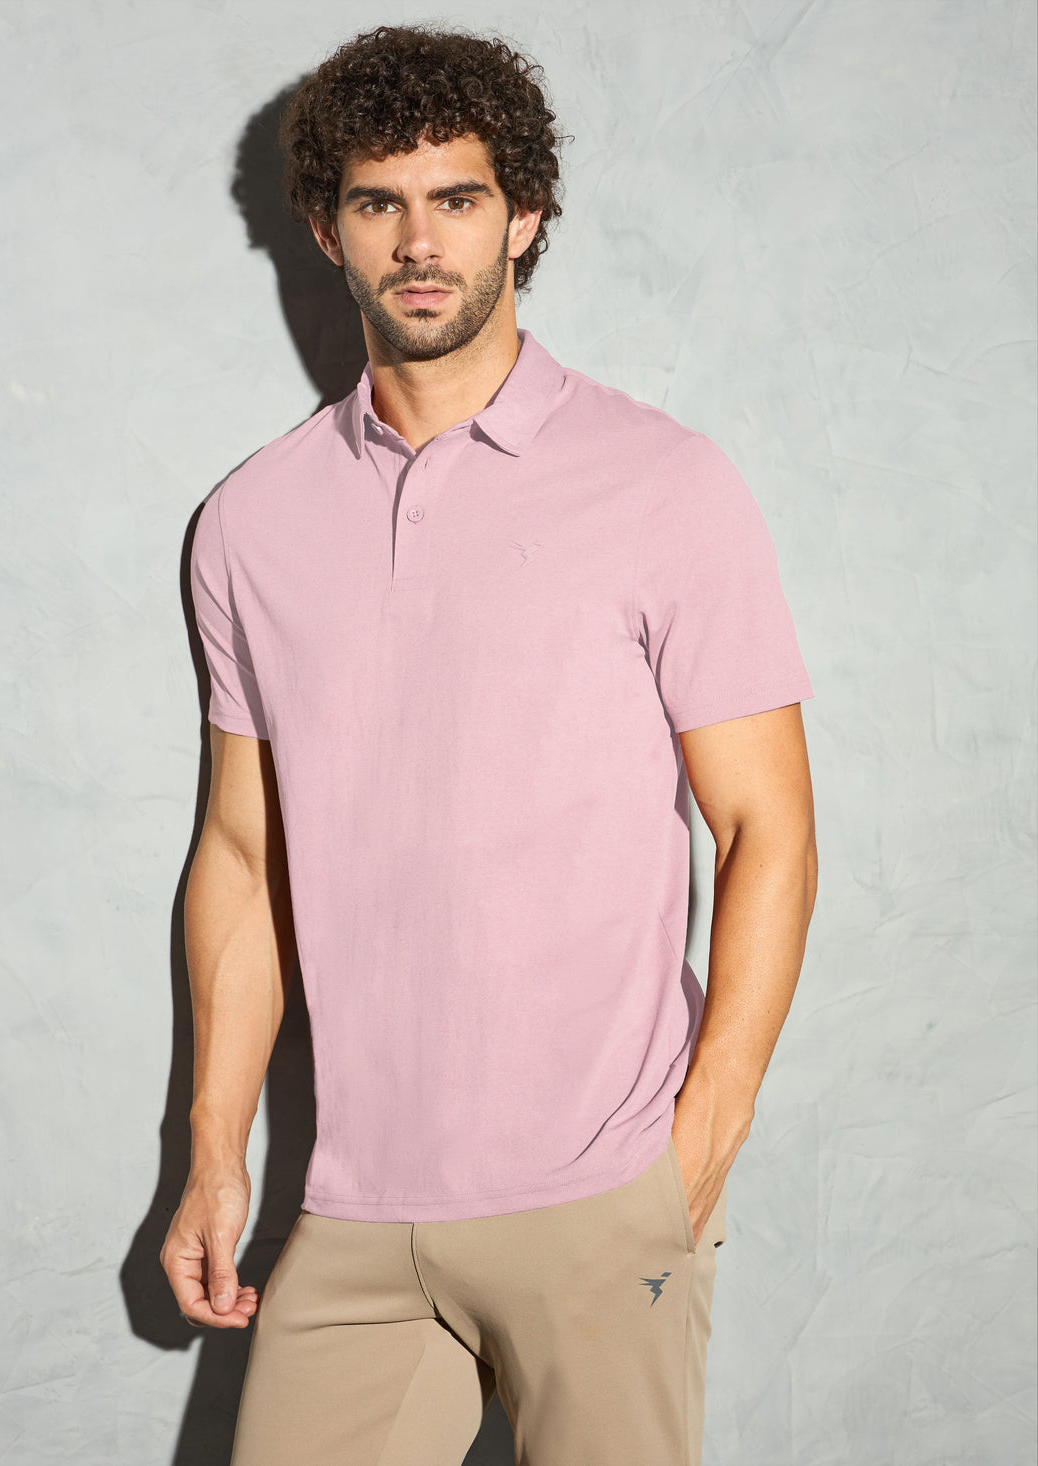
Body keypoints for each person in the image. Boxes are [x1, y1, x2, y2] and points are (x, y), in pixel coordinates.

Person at [161, 21, 817, 1465]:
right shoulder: (251, 525)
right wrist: (216, 1151)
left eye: (457, 197)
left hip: (604, 1195)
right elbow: (243, 855)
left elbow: (766, 827)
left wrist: (696, 1148)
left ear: (522, 216)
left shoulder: (664, 484)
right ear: (326, 229)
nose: (419, 240)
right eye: (379, 202)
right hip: (356, 1204)